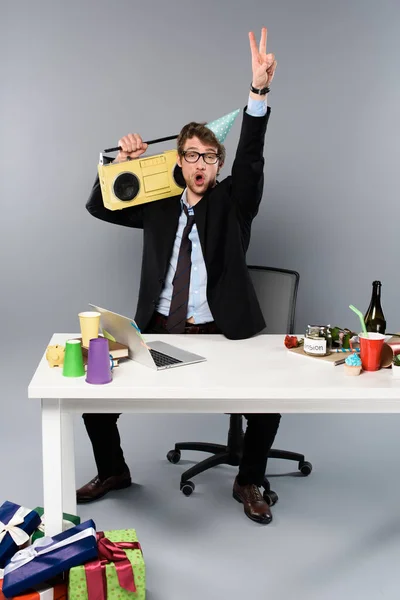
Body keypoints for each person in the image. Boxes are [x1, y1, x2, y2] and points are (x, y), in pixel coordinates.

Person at [78, 27, 280, 525]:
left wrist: (257, 94)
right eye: (191, 155)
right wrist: (122, 166)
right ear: (178, 161)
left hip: (222, 330)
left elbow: (251, 159)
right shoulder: (157, 207)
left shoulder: (234, 204)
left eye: (209, 157)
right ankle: (114, 471)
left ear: (217, 165)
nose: (200, 164)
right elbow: (99, 206)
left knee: (269, 404)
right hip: (158, 329)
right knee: (92, 399)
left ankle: (249, 478)